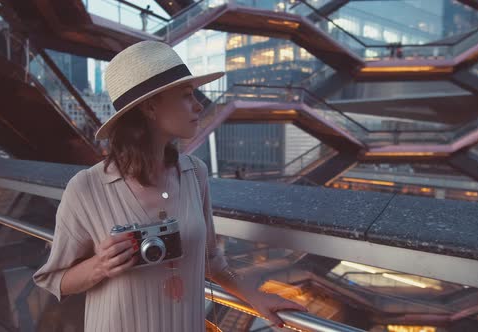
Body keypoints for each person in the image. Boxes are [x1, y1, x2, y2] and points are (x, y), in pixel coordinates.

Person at [33, 41, 306, 331]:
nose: (199, 105)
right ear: (151, 107)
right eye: (187, 96)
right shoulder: (87, 188)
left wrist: (255, 297)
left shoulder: (194, 173)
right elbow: (54, 279)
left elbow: (211, 259)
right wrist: (100, 265)